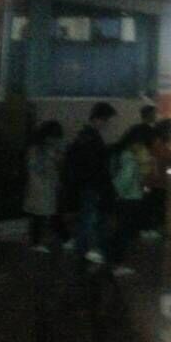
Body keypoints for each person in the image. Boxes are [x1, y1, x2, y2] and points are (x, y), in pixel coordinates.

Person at [64, 102, 118, 265]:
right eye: (106, 120)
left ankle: (84, 250)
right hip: (91, 184)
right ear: (98, 119)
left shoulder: (85, 136)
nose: (107, 124)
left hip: (86, 183)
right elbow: (94, 163)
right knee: (89, 218)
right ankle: (85, 250)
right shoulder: (91, 137)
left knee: (88, 217)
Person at [109, 124, 154, 276]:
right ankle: (117, 264)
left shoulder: (120, 153)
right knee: (123, 233)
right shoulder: (129, 158)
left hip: (123, 199)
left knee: (120, 232)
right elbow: (125, 180)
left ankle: (114, 261)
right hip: (129, 199)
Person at [24, 121, 65, 252]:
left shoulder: (37, 148)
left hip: (40, 187)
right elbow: (40, 168)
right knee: (45, 214)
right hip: (43, 187)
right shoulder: (42, 150)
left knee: (41, 215)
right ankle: (39, 242)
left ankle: (38, 241)